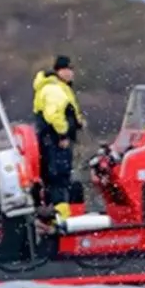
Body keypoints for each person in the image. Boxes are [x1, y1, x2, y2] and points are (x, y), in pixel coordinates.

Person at [32, 54, 84, 207]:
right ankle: (60, 214)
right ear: (58, 71)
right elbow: (54, 115)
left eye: (70, 69)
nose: (70, 73)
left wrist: (78, 122)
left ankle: (54, 210)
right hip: (55, 142)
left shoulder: (57, 87)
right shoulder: (54, 89)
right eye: (66, 69)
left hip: (50, 141)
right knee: (59, 179)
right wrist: (62, 135)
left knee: (55, 179)